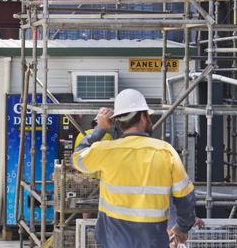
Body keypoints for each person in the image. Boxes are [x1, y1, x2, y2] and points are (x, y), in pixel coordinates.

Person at [72, 89, 202, 247]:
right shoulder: (166, 152)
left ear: (118, 121)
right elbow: (185, 199)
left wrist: (100, 129)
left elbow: (77, 159)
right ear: (143, 116)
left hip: (113, 242)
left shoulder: (106, 150)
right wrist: (182, 228)